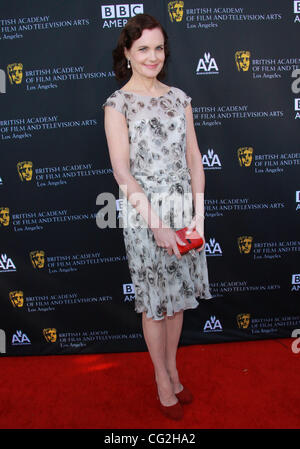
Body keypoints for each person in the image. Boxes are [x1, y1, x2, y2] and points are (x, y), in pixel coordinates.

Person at [102, 13, 212, 421]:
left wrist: (198, 216)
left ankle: (173, 369)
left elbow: (195, 159)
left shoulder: (179, 97)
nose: (153, 56)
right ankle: (162, 380)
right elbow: (121, 172)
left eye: (159, 48)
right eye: (143, 48)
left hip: (183, 210)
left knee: (179, 299)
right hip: (145, 214)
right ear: (127, 53)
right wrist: (157, 225)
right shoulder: (118, 104)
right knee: (154, 304)